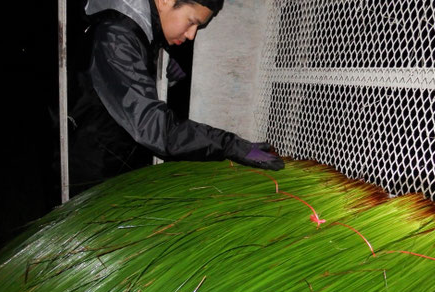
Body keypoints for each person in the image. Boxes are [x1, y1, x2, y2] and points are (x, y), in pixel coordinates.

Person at [81, 0, 284, 173]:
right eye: (191, 22)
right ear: (164, 1)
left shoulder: (136, 32)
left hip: (106, 157)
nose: (191, 35)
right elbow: (153, 127)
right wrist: (230, 145)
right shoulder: (116, 35)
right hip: (88, 164)